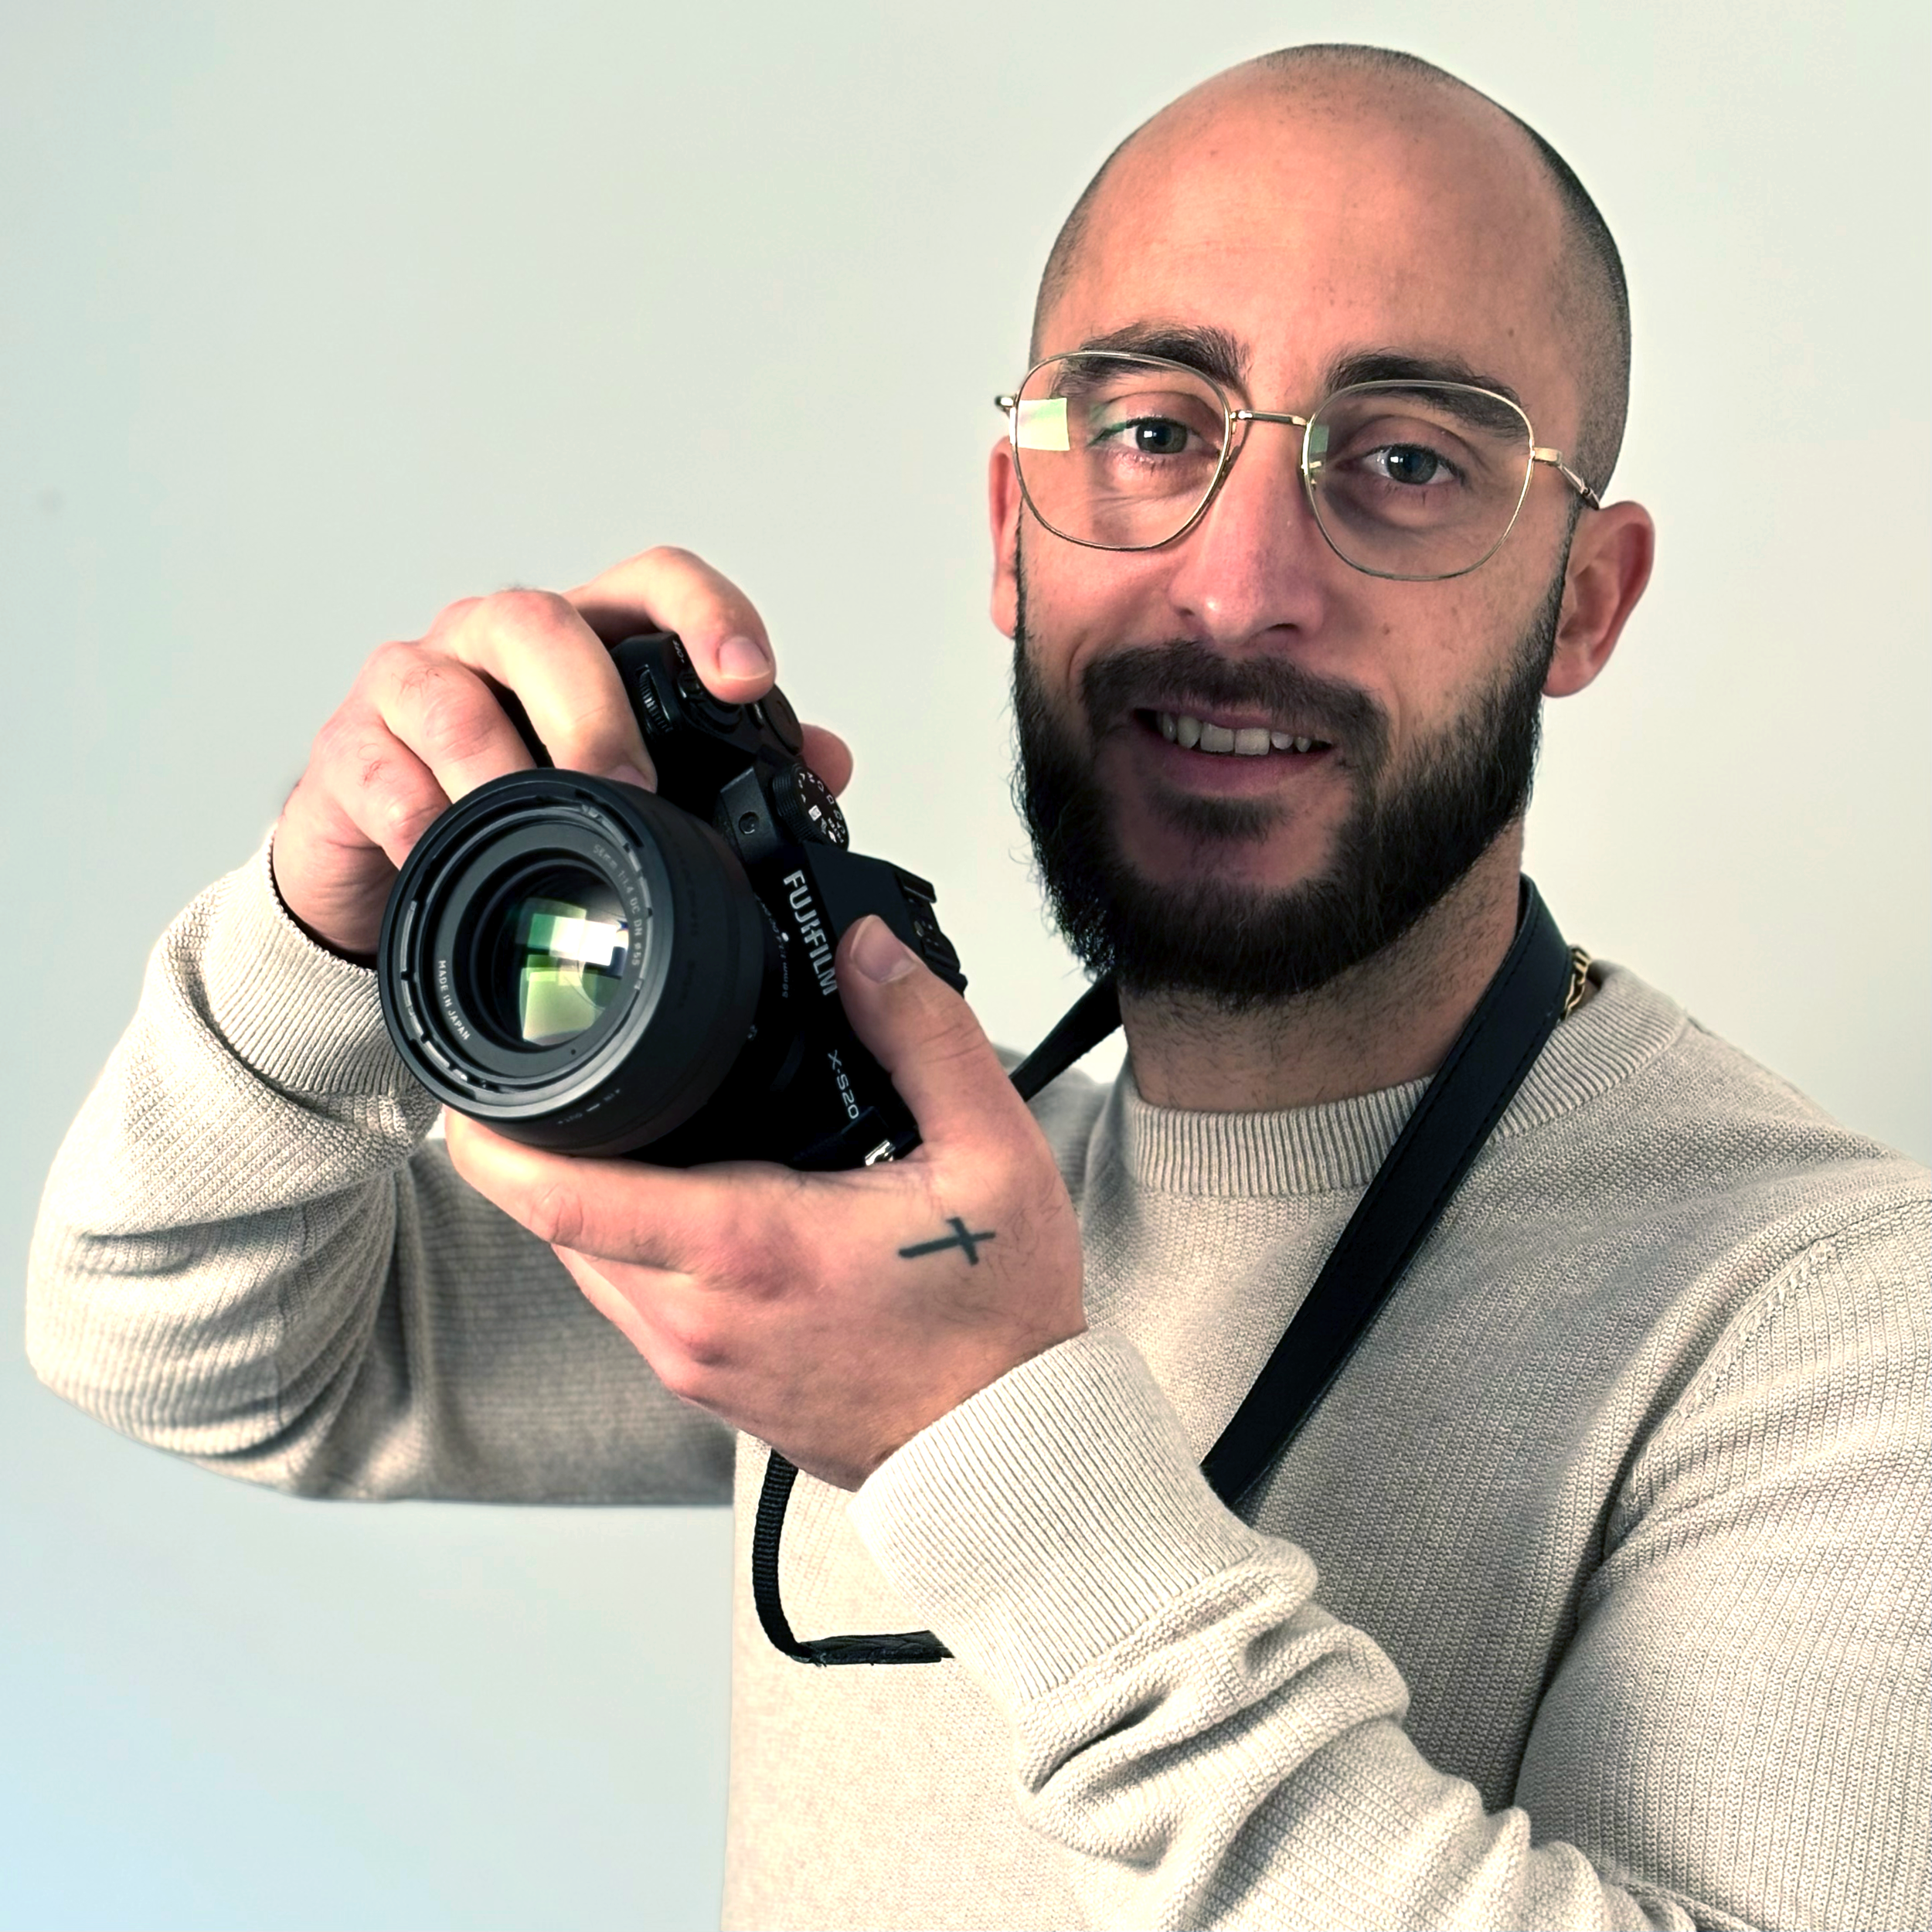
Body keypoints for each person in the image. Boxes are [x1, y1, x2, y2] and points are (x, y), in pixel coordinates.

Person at [26, 43, 1927, 1932]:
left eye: (1409, 462)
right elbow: (177, 1329)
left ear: (1582, 599)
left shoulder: (1826, 1311)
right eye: (1155, 432)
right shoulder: (885, 1198)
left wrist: (992, 1441)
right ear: (1013, 532)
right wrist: (324, 931)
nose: (1236, 583)